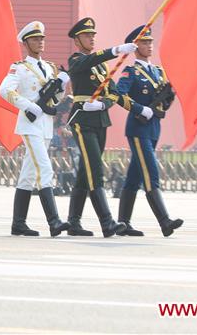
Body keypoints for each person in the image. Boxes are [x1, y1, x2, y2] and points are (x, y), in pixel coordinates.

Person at [0, 21, 71, 236]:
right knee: (44, 170)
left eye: (42, 38)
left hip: (46, 125)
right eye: (35, 39)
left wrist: (62, 85)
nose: (40, 42)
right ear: (26, 42)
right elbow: (4, 90)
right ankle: (54, 221)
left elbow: (55, 98)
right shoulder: (19, 68)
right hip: (30, 125)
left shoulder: (49, 67)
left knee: (28, 176)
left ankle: (18, 224)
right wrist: (29, 106)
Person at [65, 18, 132, 237]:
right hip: (82, 121)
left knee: (86, 173)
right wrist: (115, 50)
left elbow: (113, 92)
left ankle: (73, 223)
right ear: (77, 40)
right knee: (95, 170)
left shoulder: (102, 67)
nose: (91, 38)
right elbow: (89, 62)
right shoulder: (76, 60)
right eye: (87, 35)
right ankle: (107, 222)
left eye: (93, 35)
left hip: (100, 120)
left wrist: (104, 103)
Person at [115, 25, 184, 237]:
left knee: (134, 177)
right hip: (137, 128)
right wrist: (140, 109)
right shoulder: (131, 71)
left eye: (150, 41)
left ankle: (123, 223)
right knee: (151, 173)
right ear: (136, 47)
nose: (149, 45)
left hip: (154, 128)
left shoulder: (159, 72)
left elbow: (164, 104)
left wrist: (168, 98)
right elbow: (119, 94)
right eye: (144, 42)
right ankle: (164, 221)